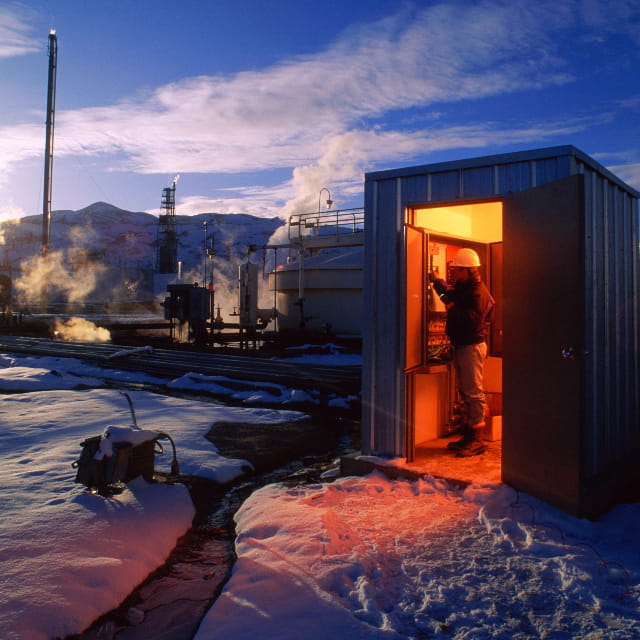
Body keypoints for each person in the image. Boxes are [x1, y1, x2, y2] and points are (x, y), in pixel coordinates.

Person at [429, 248, 495, 457]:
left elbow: (470, 320)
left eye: (457, 270)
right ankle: (469, 434)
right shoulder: (466, 288)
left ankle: (477, 440)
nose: (454, 273)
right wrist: (437, 283)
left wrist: (451, 305)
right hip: (464, 346)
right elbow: (447, 296)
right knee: (466, 391)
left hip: (471, 347)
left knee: (474, 392)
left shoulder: (477, 292)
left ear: (468, 271)